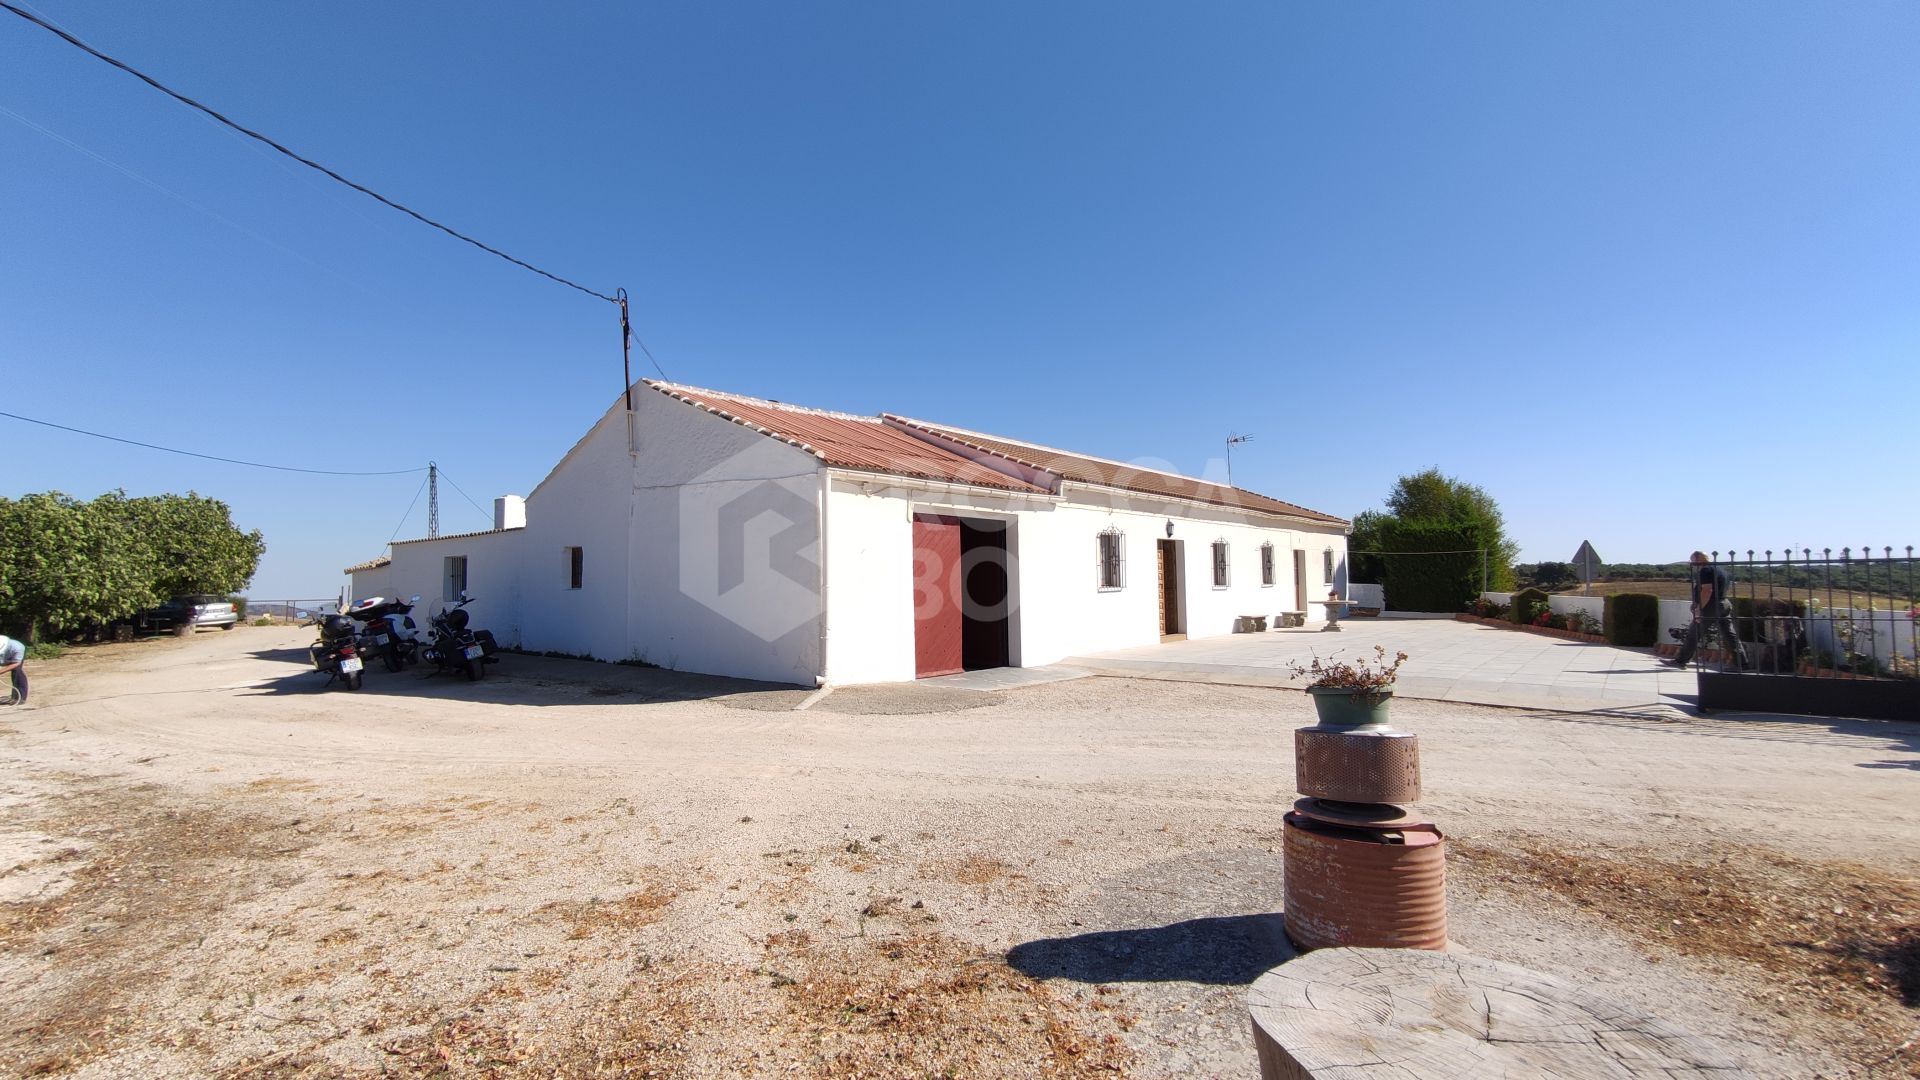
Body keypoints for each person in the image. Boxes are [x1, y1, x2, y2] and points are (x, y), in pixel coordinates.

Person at [1666, 552, 1750, 669]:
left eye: (1692, 560)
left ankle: (1681, 661)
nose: (1692, 564)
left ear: (1698, 558)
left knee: (1694, 634)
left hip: (1711, 605)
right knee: (1730, 636)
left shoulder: (1705, 570)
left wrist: (1700, 609)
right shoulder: (1721, 570)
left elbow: (1707, 591)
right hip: (1724, 603)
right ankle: (1742, 664)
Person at [0, 634, 26, 705]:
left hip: (14, 659)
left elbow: (16, 663)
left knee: (17, 672)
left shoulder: (17, 648)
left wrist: (1, 671)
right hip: (3, 659)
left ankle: (20, 697)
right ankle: (14, 697)